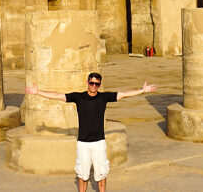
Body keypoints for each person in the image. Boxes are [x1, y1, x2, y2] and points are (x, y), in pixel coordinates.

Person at [25, 72, 156, 192]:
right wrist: (37, 92)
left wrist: (142, 90)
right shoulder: (79, 97)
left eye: (97, 84)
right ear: (87, 82)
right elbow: (58, 96)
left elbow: (123, 94)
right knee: (83, 174)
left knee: (101, 174)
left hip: (99, 142)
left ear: (100, 85)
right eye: (92, 83)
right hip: (83, 143)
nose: (94, 86)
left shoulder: (103, 97)